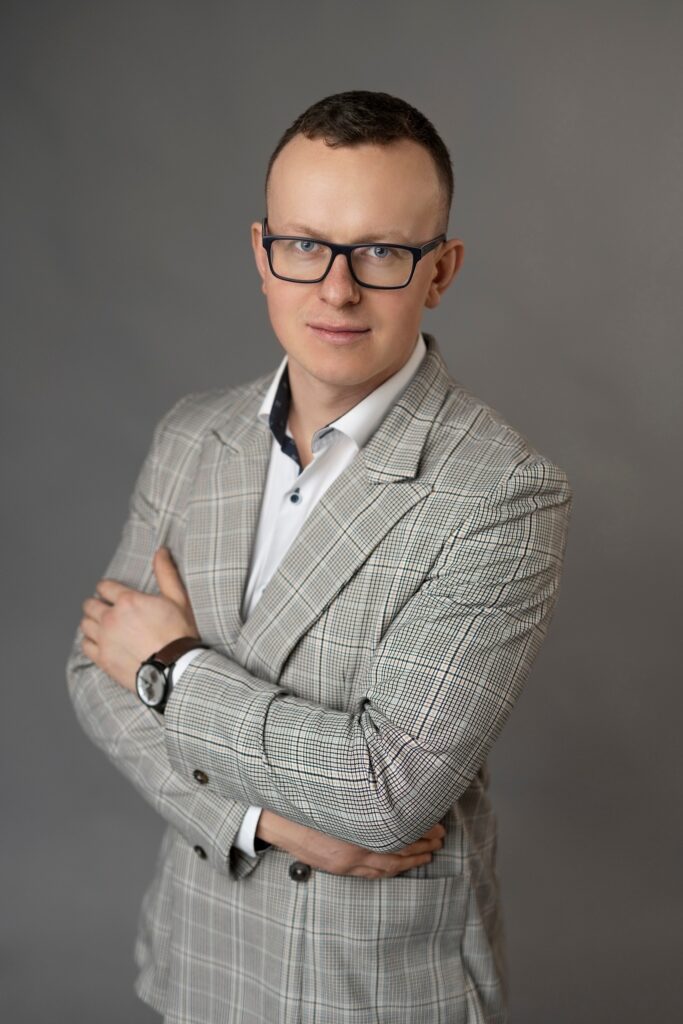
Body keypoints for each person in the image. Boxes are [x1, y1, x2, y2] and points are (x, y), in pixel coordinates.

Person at [67, 90, 573, 1024]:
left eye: (380, 252)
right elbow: (94, 675)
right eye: (305, 245)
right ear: (262, 253)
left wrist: (170, 667)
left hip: (366, 989)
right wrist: (259, 824)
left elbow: (384, 792)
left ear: (440, 270)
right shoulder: (191, 436)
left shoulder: (501, 491)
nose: (336, 290)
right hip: (199, 960)